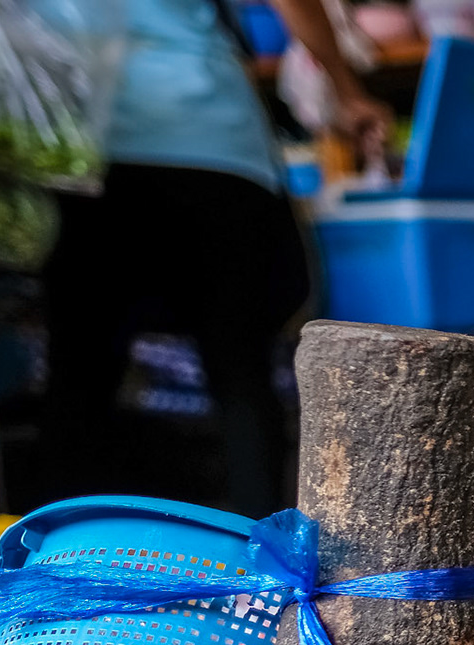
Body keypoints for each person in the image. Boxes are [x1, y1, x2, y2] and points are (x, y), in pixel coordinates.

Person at [33, 0, 390, 517]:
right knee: (241, 371)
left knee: (80, 371)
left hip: (83, 142)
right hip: (208, 138)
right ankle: (260, 555)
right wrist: (346, 89)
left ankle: (55, 557)